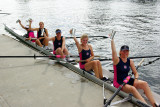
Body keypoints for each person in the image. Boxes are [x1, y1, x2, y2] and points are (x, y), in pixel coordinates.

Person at [110, 33, 159, 107]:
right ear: (120, 52)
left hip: (127, 79)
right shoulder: (117, 60)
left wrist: (136, 79)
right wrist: (112, 41)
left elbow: (136, 73)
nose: (125, 53)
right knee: (133, 89)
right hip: (118, 82)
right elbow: (113, 52)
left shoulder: (130, 61)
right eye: (123, 51)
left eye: (127, 51)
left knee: (145, 83)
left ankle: (154, 104)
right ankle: (145, 105)